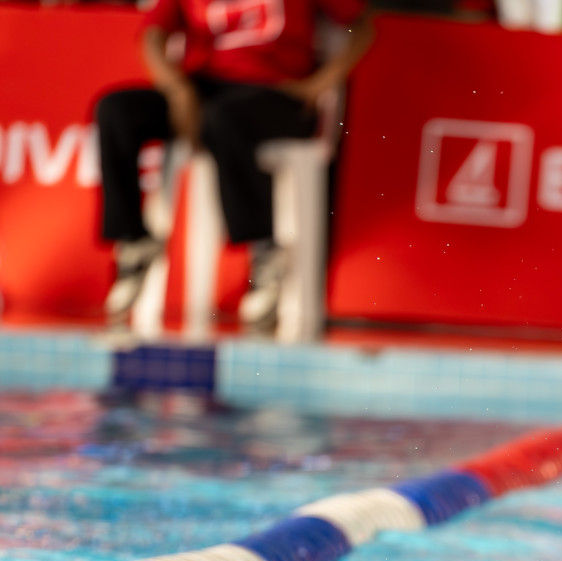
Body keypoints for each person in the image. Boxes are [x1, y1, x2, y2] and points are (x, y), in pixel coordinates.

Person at [96, 0, 375, 330]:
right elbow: (153, 33)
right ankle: (134, 241)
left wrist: (320, 84)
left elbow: (363, 26)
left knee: (223, 119)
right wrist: (175, 87)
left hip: (279, 93)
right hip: (204, 88)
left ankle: (265, 252)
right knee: (116, 110)